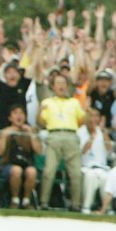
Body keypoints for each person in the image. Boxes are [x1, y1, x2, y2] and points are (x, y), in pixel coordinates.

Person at [37, 73, 86, 210]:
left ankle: (76, 204)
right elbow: (41, 122)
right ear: (52, 86)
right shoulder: (47, 102)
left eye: (63, 83)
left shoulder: (74, 102)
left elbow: (81, 121)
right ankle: (44, 202)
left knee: (76, 173)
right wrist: (39, 112)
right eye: (58, 83)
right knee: (49, 171)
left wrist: (86, 110)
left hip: (71, 135)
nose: (61, 86)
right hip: (54, 135)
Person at [0, 104, 41, 208]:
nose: (19, 116)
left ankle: (26, 201)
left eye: (21, 113)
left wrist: (31, 135)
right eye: (15, 113)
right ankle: (15, 200)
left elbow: (39, 151)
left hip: (27, 164)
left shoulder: (29, 132)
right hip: (8, 165)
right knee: (17, 170)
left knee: (32, 172)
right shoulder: (5, 132)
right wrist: (4, 135)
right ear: (10, 117)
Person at [79, 107, 110, 213]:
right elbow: (83, 151)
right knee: (90, 176)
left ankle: (107, 208)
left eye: (97, 116)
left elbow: (109, 149)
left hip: (101, 166)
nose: (94, 118)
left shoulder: (102, 131)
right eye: (91, 115)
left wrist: (103, 132)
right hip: (86, 167)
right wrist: (92, 137)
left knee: (106, 177)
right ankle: (86, 207)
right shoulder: (81, 131)